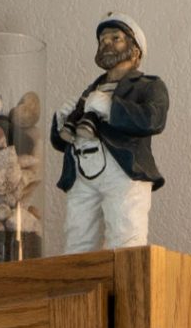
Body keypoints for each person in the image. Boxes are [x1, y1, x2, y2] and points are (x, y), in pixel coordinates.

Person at [52, 13, 168, 252]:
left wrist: (110, 107)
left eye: (116, 38)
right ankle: (80, 288)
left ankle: (122, 288)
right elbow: (60, 142)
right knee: (77, 240)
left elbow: (153, 119)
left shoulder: (149, 85)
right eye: (103, 39)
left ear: (135, 50)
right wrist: (60, 123)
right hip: (82, 171)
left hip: (123, 172)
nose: (107, 43)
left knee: (125, 240)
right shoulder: (90, 90)